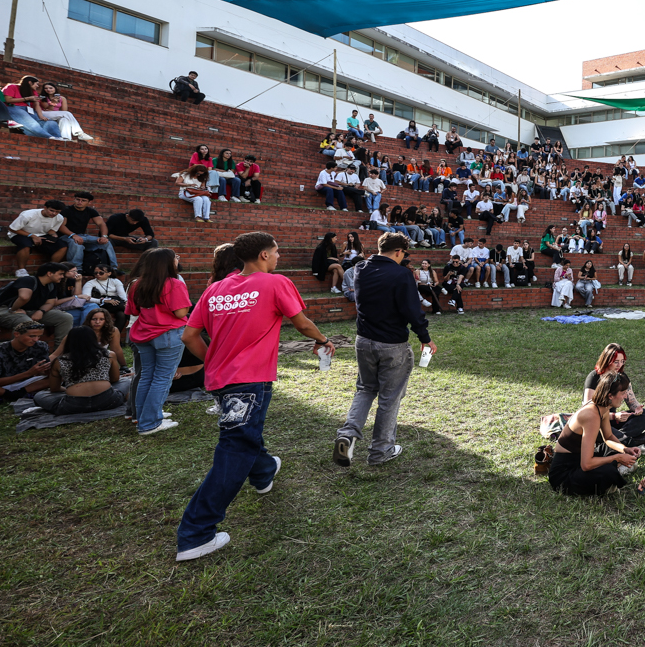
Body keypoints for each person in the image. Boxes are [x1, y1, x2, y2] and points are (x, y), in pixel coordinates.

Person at [175, 231, 336, 562]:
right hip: (248, 381)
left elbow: (189, 335)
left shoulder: (215, 289)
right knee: (235, 448)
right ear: (264, 255)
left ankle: (264, 473)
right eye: (276, 252)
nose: (278, 257)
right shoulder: (275, 282)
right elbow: (302, 324)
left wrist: (215, 362)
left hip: (222, 381)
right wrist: (322, 339)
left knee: (245, 435)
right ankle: (195, 534)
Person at [334, 233, 435, 467]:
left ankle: (347, 435)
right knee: (389, 398)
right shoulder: (401, 274)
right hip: (392, 345)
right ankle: (381, 450)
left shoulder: (361, 268)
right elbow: (412, 310)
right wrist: (425, 337)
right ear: (399, 252)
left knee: (365, 389)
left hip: (364, 340)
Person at [125, 247, 192, 435]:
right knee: (162, 378)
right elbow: (180, 312)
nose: (177, 260)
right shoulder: (174, 283)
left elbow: (134, 312)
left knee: (147, 376)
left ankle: (143, 417)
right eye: (175, 258)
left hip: (143, 334)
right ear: (167, 263)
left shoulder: (136, 284)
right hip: (168, 335)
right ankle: (150, 422)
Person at [551, 372, 642, 496]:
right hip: (564, 475)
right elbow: (586, 464)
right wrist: (618, 458)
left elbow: (608, 437)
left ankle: (615, 470)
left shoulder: (602, 407)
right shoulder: (591, 415)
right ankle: (612, 475)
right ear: (610, 395)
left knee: (620, 445)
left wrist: (625, 450)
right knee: (608, 470)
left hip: (579, 459)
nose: (625, 396)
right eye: (623, 393)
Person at [31, 324, 126, 415]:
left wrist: (70, 389)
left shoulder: (59, 361)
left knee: (39, 396)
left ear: (69, 341)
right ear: (93, 339)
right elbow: (115, 379)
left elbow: (54, 388)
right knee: (126, 382)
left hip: (73, 405)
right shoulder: (109, 354)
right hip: (109, 400)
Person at [584, 343, 645, 447]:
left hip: (614, 423)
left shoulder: (621, 376)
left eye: (622, 361)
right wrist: (614, 416)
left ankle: (620, 439)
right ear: (607, 360)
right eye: (616, 362)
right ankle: (628, 441)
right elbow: (588, 412)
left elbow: (632, 401)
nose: (619, 365)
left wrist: (637, 408)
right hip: (598, 421)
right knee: (597, 427)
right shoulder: (594, 377)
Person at [0, 262, 75, 345]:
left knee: (65, 318)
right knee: (27, 323)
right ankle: (16, 354)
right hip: (5, 310)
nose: (63, 277)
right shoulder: (28, 280)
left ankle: (59, 352)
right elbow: (24, 297)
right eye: (60, 274)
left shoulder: (51, 285)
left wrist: (41, 311)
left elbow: (50, 303)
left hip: (31, 310)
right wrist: (14, 310)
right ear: (49, 273)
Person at [60, 192, 119, 274]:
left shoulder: (90, 211)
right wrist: (73, 235)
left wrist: (104, 236)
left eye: (83, 200)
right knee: (77, 244)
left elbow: (101, 224)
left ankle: (113, 269)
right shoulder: (66, 210)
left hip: (83, 236)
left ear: (89, 202)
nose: (79, 202)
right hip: (67, 236)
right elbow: (61, 226)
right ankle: (77, 270)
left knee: (106, 242)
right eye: (77, 199)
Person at [7, 200, 70, 271]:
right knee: (25, 245)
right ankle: (21, 270)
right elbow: (12, 228)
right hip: (20, 233)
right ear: (45, 208)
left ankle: (50, 269)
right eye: (51, 210)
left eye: (57, 212)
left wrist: (53, 235)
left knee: (63, 246)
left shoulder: (59, 218)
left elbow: (51, 230)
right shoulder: (28, 215)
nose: (54, 213)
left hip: (41, 235)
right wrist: (33, 236)